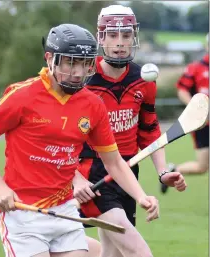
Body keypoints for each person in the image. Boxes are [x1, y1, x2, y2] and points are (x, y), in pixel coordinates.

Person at [0, 23, 160, 257]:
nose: (78, 72)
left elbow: (114, 162)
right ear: (50, 58)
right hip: (23, 214)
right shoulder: (22, 96)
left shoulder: (92, 104)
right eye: (70, 62)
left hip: (65, 211)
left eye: (85, 63)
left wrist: (141, 196)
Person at [72, 5, 187, 257]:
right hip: (93, 174)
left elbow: (150, 131)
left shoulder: (142, 79)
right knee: (138, 252)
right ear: (101, 37)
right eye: (113, 35)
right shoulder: (84, 80)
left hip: (128, 171)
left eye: (126, 35)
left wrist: (162, 171)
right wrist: (75, 178)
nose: (120, 43)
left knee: (113, 253)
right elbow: (62, 136)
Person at [161, 33, 209, 194]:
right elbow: (182, 90)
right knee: (202, 167)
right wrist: (196, 108)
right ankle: (174, 170)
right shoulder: (196, 68)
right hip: (204, 125)